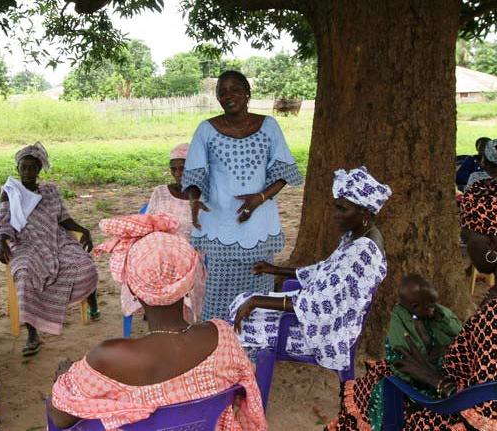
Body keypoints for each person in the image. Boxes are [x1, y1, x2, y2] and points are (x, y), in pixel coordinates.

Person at [344, 179, 497, 430]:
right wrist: (457, 348)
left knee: (378, 385)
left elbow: (489, 414)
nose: (465, 248)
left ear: (492, 242)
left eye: (467, 238)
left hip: (464, 413)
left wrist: (432, 378)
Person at [47, 214, 266, 430]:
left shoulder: (106, 357)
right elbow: (243, 389)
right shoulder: (223, 336)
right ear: (189, 284)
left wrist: (63, 379)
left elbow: (61, 419)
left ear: (133, 289)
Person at [232, 167, 390, 372]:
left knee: (242, 320)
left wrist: (259, 301)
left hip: (328, 333)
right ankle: (246, 370)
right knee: (242, 302)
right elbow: (324, 271)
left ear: (365, 212)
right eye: (336, 207)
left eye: (343, 209)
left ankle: (246, 379)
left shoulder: (362, 252)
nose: (335, 215)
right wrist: (275, 269)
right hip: (321, 317)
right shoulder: (358, 236)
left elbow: (322, 303)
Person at [182, 70, 303, 320]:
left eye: (235, 89)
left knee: (258, 291)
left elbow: (283, 170)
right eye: (222, 92)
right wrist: (195, 199)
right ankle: (221, 348)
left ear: (247, 93)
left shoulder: (268, 125)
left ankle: (255, 351)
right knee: (219, 295)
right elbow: (194, 171)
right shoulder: (206, 130)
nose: (229, 95)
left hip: (258, 225)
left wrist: (259, 198)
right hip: (221, 225)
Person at [0, 142, 99, 357]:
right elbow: (3, 221)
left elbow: (64, 219)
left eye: (33, 167)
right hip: (25, 244)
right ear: (18, 169)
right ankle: (33, 334)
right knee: (24, 274)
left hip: (55, 239)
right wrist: (1, 241)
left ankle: (92, 303)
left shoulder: (49, 191)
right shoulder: (10, 192)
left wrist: (83, 230)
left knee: (85, 264)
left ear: (40, 169)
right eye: (24, 167)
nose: (28, 172)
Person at [326, 275, 462, 431]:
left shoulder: (433, 315)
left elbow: (457, 333)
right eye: (430, 306)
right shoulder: (400, 320)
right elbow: (408, 358)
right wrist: (433, 358)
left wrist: (442, 317)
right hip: (409, 374)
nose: (434, 309)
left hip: (431, 368)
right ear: (415, 305)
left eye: (435, 304)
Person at [122, 143, 206, 321]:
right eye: (173, 169)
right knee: (135, 265)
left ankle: (177, 319)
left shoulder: (205, 196)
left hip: (189, 255)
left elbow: (206, 234)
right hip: (159, 252)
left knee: (186, 274)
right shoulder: (160, 192)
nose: (177, 174)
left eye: (182, 168)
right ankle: (155, 312)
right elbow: (149, 225)